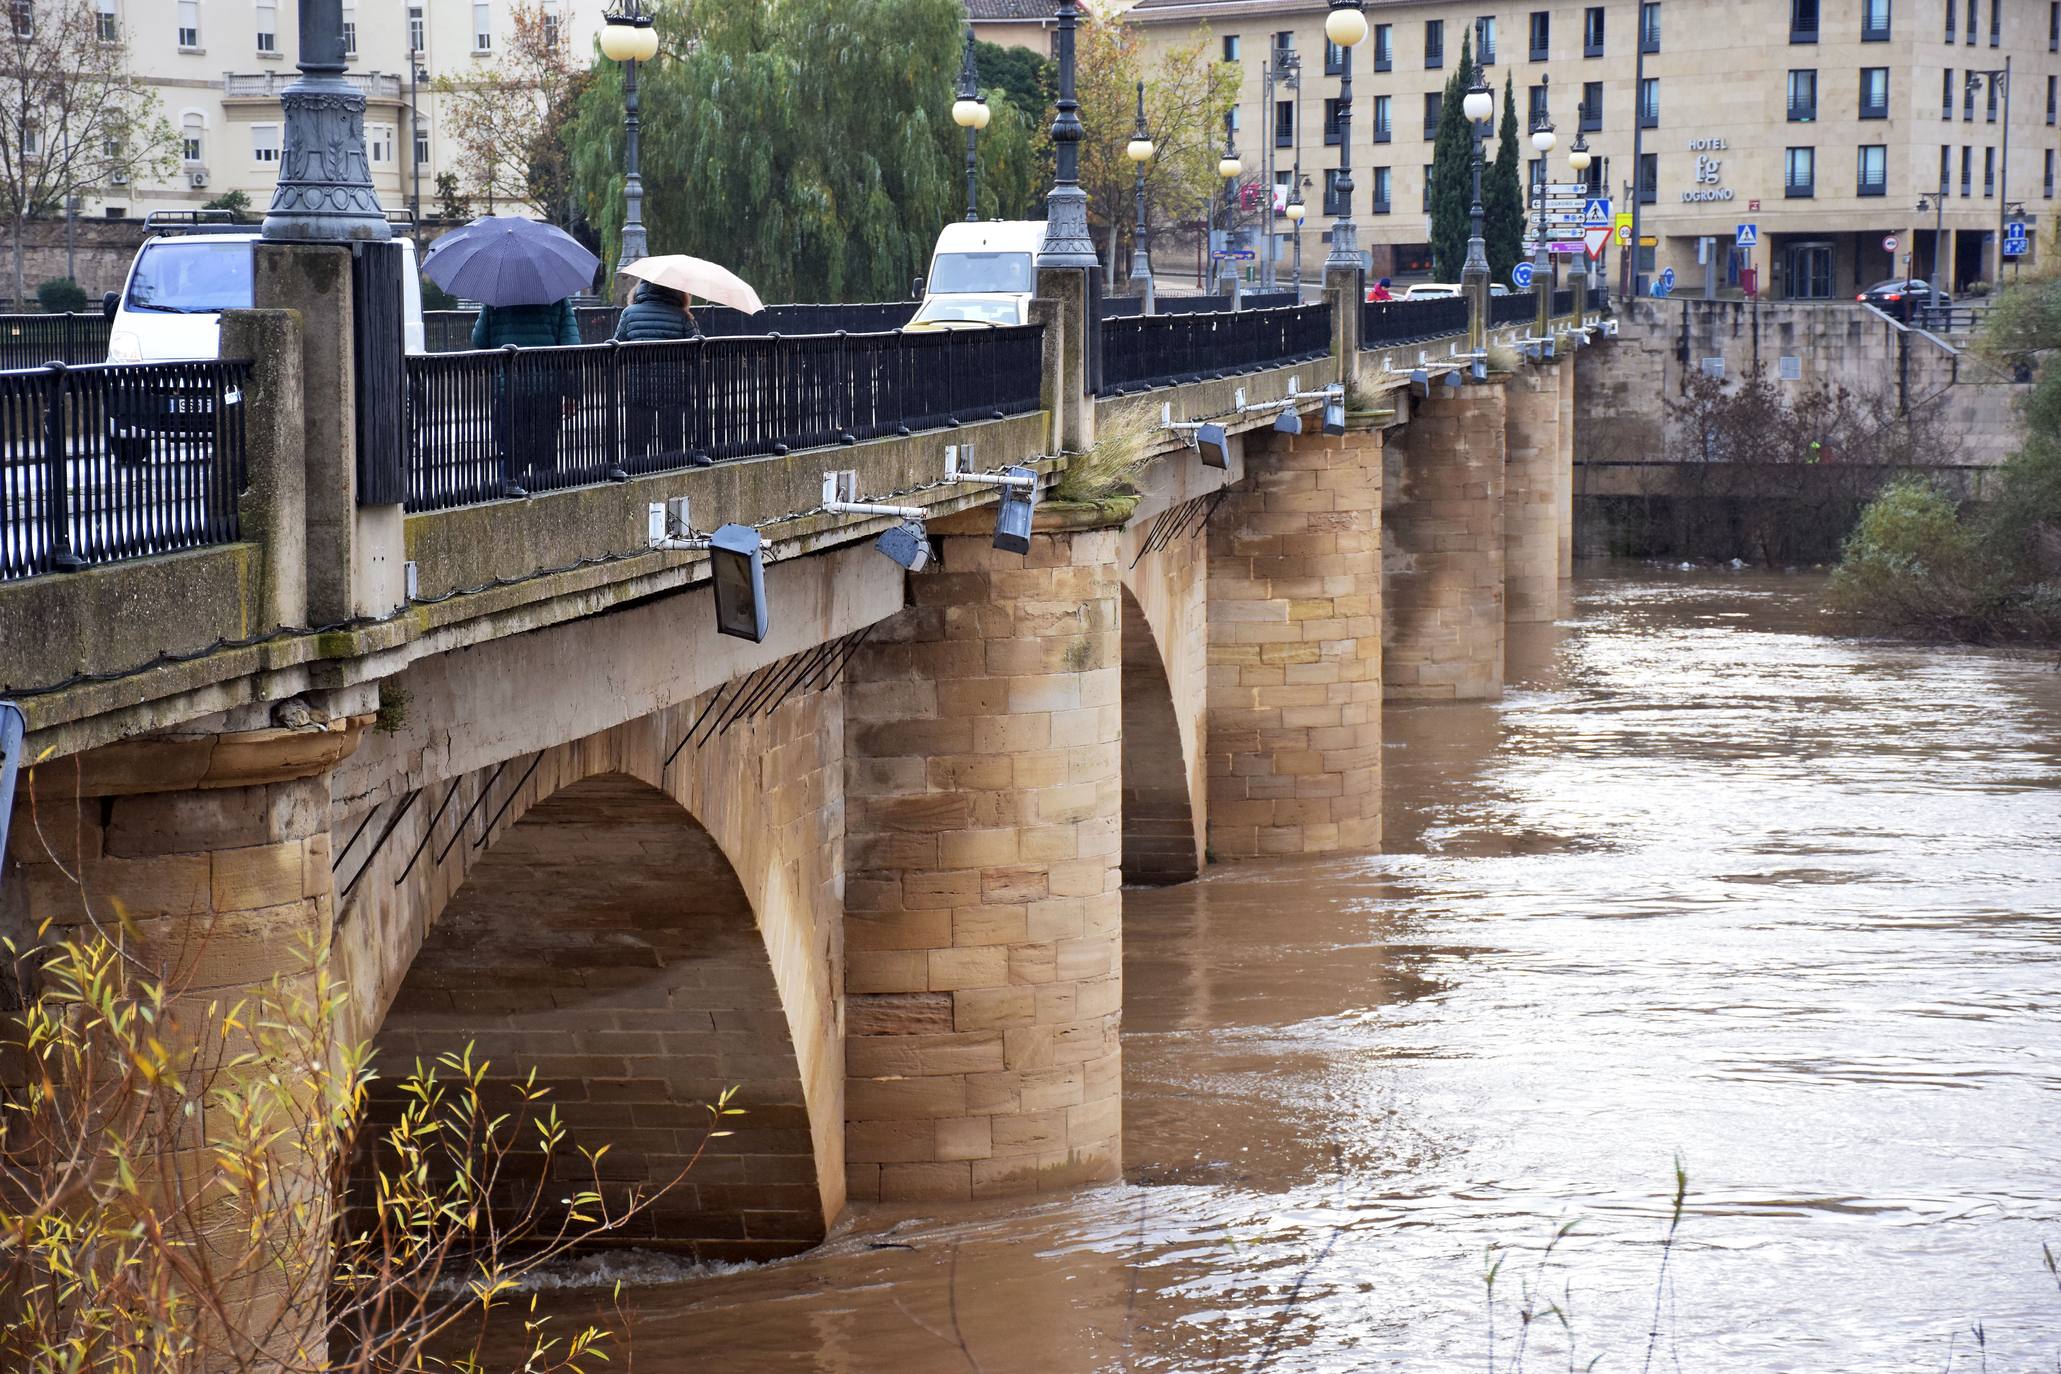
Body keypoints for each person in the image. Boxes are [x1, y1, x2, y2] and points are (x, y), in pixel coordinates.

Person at [472, 296, 581, 485]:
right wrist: (572, 393)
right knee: (545, 455)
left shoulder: (494, 299)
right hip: (547, 390)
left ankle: (508, 500)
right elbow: (571, 348)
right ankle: (545, 500)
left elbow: (479, 340)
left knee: (512, 457)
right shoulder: (558, 299)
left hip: (509, 389)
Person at [613, 283, 696, 466]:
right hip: (672, 390)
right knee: (671, 447)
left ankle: (636, 478)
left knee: (636, 447)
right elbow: (695, 352)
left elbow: (617, 348)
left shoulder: (629, 313)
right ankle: (672, 479)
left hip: (638, 388)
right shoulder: (682, 316)